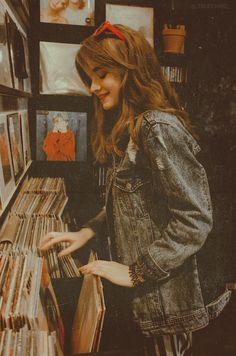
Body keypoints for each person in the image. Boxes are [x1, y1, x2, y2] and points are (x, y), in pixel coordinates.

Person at [39, 22, 231, 355]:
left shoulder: (156, 127)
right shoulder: (134, 125)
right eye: (90, 78)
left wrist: (135, 272)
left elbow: (195, 220)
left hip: (169, 300)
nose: (94, 87)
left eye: (102, 74)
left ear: (131, 71)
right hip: (153, 296)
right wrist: (87, 231)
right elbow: (131, 202)